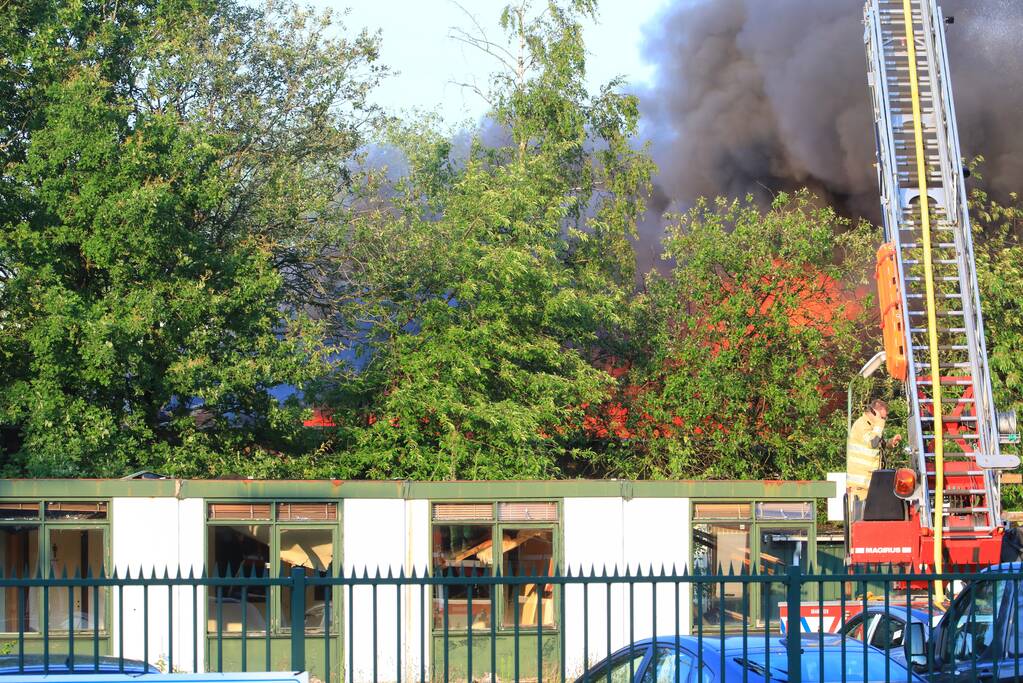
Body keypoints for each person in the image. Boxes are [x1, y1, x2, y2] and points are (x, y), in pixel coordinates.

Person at [846, 399, 903, 522]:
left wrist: (890, 443)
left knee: (874, 517)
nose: (884, 420)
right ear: (875, 413)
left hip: (871, 481)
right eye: (883, 417)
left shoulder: (871, 427)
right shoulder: (861, 425)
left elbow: (878, 445)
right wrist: (879, 424)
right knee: (861, 520)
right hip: (860, 483)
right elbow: (873, 443)